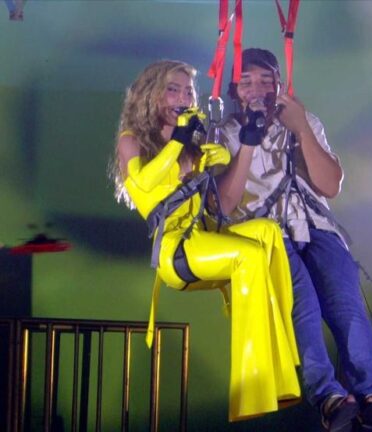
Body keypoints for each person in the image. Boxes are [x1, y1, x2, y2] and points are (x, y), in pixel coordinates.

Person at [109, 59, 301, 422]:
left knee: (268, 233)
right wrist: (178, 141)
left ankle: (280, 360)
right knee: (247, 256)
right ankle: (251, 390)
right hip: (175, 252)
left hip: (204, 236)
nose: (183, 97)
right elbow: (146, 186)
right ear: (151, 94)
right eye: (173, 88)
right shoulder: (131, 141)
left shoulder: (192, 144)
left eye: (188, 90)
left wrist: (234, 147)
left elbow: (221, 192)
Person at [216, 48, 372, 431]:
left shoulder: (303, 121)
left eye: (266, 80)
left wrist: (300, 128)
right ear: (235, 89)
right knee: (305, 308)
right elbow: (226, 202)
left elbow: (330, 184)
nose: (258, 89)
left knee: (348, 307)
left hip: (315, 225)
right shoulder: (224, 132)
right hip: (266, 232)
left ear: (280, 84)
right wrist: (249, 138)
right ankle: (327, 395)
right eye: (247, 82)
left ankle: (369, 393)